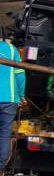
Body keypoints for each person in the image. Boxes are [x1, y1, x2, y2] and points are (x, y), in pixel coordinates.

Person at [0, 32, 26, 168]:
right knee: (4, 134)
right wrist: (21, 95)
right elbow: (20, 75)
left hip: (8, 99)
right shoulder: (11, 49)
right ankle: (0, 168)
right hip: (9, 99)